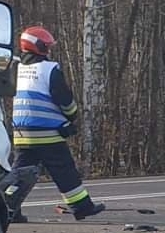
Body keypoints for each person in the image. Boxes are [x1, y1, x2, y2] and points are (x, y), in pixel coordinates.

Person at [7, 25, 105, 222]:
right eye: (47, 46)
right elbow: (63, 98)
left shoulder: (15, 68)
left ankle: (9, 210)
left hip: (21, 134)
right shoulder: (49, 69)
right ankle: (82, 207)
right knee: (64, 169)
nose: (49, 50)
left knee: (19, 174)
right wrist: (71, 117)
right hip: (46, 134)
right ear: (40, 47)